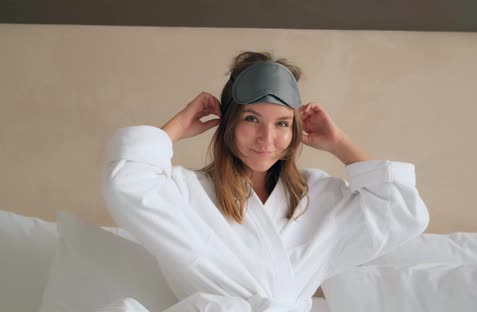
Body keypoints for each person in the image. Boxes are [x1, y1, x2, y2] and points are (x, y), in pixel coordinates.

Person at [102, 51, 430, 312]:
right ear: (228, 122)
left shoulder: (317, 194)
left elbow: (401, 214)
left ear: (295, 130)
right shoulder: (186, 192)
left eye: (282, 124)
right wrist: (175, 127)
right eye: (251, 119)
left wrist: (339, 143)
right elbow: (126, 186)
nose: (267, 139)